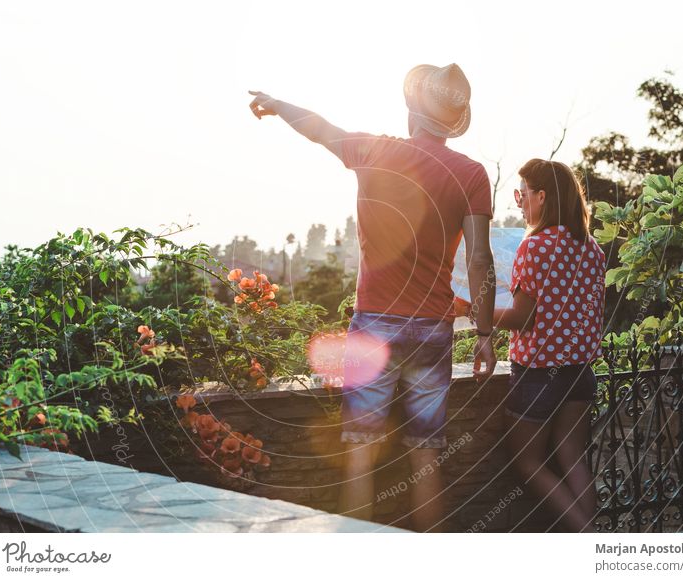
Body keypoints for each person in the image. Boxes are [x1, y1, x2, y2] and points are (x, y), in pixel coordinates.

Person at [248, 63, 497, 531]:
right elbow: (479, 260)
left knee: (360, 457)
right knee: (426, 462)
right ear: (450, 121)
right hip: (432, 327)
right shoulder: (472, 174)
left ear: (412, 113)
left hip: (374, 325)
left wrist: (278, 105)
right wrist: (484, 333)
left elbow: (320, 130)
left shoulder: (374, 150)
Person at [491, 158, 606, 532]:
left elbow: (523, 318)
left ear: (541, 196)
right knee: (573, 459)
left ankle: (589, 540)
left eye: (521, 194)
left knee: (528, 462)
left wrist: (473, 311)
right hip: (581, 374)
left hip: (540, 375)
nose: (518, 202)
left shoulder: (534, 247)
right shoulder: (592, 249)